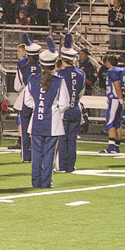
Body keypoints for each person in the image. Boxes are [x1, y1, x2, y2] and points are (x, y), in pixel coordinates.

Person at [23, 37, 68, 188]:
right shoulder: (59, 81)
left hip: (36, 122)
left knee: (36, 154)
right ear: (54, 64)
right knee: (49, 154)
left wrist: (38, 107)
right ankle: (46, 182)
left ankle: (35, 182)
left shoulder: (33, 79)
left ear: (41, 64)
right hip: (53, 124)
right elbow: (64, 104)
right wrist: (54, 109)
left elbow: (28, 102)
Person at [56, 34, 85, 172]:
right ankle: (70, 166)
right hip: (76, 110)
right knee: (72, 140)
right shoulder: (81, 74)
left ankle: (61, 166)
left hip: (63, 111)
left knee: (62, 139)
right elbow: (80, 93)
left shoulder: (59, 74)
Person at [13, 34, 41, 161]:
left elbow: (17, 86)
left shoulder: (22, 67)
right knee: (38, 129)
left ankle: (26, 155)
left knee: (25, 129)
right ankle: (37, 154)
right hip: (41, 100)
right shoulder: (43, 67)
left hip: (26, 100)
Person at [101, 55, 124, 154]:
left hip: (115, 99)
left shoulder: (112, 71)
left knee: (110, 121)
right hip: (117, 99)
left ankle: (111, 147)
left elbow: (117, 86)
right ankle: (116, 146)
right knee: (117, 123)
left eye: (106, 62)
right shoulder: (121, 70)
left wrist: (120, 99)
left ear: (109, 62)